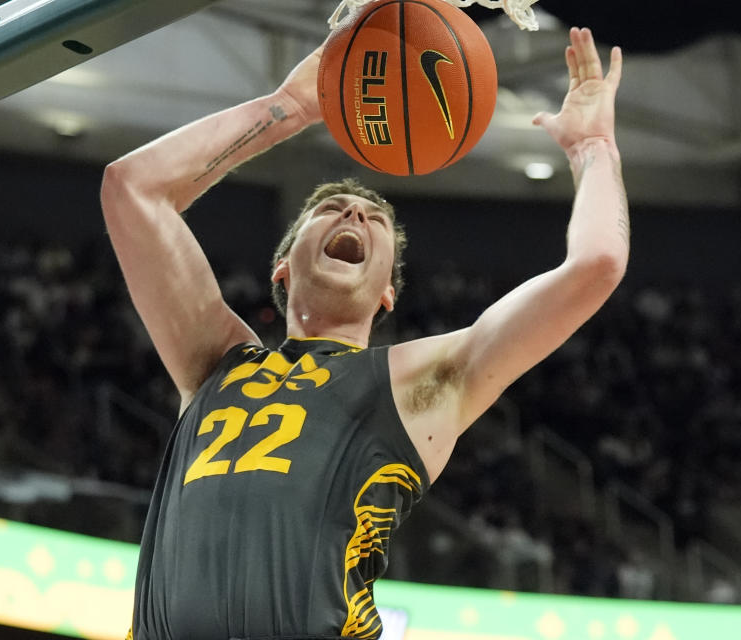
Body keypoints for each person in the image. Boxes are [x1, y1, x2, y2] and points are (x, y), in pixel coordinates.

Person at [101, 23, 628, 640]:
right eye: (328, 209)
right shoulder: (214, 359)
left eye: (374, 218)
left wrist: (594, 148)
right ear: (283, 263)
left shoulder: (419, 380)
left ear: (386, 294)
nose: (353, 212)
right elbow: (132, 189)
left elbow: (596, 266)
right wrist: (293, 107)